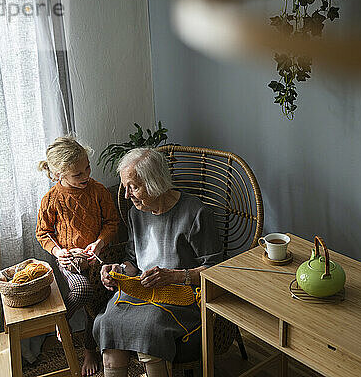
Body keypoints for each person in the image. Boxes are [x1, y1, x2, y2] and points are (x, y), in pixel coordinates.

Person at [93, 148, 223, 377]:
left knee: (151, 328)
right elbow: (133, 260)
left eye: (133, 187)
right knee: (108, 321)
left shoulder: (195, 213)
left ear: (154, 183)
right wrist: (119, 270)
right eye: (125, 187)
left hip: (182, 296)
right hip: (143, 290)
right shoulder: (136, 213)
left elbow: (216, 270)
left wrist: (174, 276)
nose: (126, 196)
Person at [36, 136, 120, 377]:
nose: (85, 176)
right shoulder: (51, 199)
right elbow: (43, 233)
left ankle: (90, 349)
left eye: (87, 169)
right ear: (58, 174)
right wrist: (58, 252)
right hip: (69, 260)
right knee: (83, 291)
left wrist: (99, 243)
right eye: (77, 174)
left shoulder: (98, 191)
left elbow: (112, 223)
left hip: (97, 256)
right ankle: (62, 319)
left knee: (98, 303)